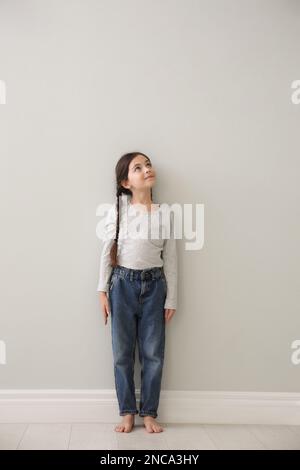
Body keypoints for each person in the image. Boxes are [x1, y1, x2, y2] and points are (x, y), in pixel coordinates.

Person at [97, 152, 177, 433]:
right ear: (125, 182)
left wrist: (172, 297)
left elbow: (171, 257)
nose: (147, 170)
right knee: (122, 353)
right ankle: (127, 411)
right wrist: (102, 290)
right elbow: (108, 250)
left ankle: (150, 412)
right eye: (138, 167)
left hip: (155, 286)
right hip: (121, 285)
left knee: (153, 353)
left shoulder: (165, 212)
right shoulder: (118, 209)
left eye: (148, 165)